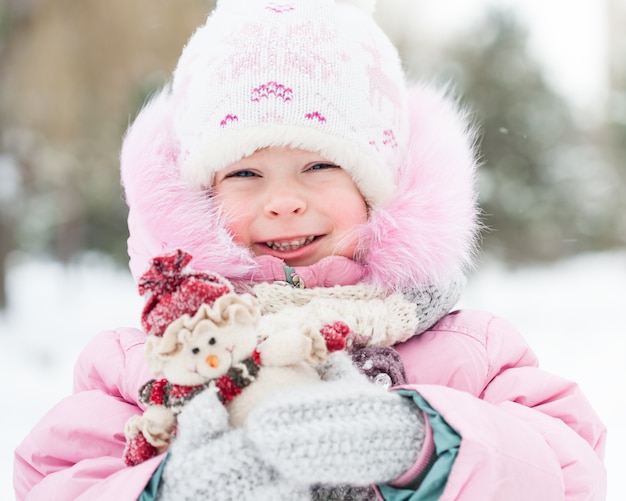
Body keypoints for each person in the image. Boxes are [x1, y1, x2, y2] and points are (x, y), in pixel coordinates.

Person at [14, 0, 607, 500]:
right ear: (196, 198)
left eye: (320, 164)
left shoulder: (468, 352)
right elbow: (55, 478)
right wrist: (167, 485)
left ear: (381, 191)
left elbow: (567, 467)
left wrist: (426, 445)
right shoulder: (148, 361)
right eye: (246, 174)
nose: (284, 201)